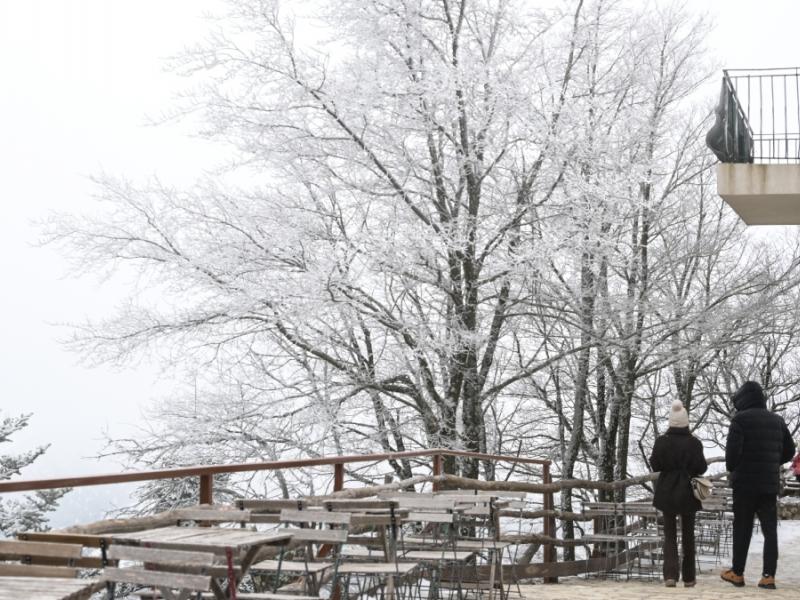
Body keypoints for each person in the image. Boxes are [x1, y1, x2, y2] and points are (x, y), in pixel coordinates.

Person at [721, 381, 795, 590]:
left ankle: (737, 573)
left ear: (743, 399)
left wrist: (736, 467)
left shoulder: (740, 420)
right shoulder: (777, 420)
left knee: (742, 528)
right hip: (768, 485)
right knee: (770, 530)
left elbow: (731, 458)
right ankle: (768, 576)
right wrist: (772, 462)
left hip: (744, 485)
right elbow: (789, 451)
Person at [650, 400, 707, 588]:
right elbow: (701, 468)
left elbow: (655, 465)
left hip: (667, 491)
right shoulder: (694, 443)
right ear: (686, 422)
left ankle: (670, 575)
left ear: (671, 422)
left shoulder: (662, 441)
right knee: (688, 535)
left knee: (669, 535)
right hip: (688, 492)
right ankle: (689, 577)